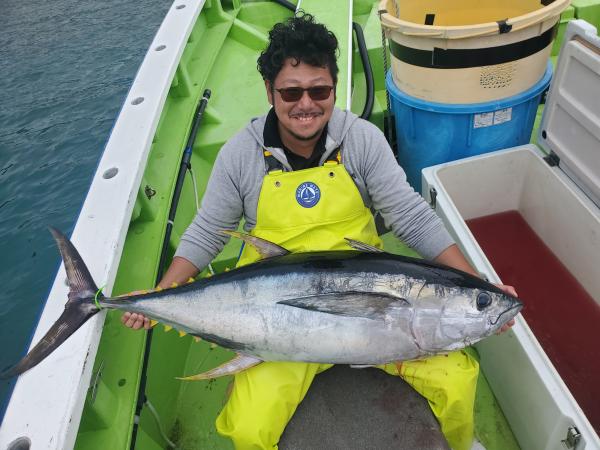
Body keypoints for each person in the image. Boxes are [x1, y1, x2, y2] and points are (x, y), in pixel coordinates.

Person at [122, 12, 516, 450]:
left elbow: (411, 216)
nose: (305, 104)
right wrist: (160, 294)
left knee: (458, 382)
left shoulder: (361, 139)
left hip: (368, 291)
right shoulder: (241, 154)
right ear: (269, 92)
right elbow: (208, 232)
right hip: (274, 316)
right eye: (291, 92)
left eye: (319, 90)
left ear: (334, 87)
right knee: (249, 427)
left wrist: (478, 286)